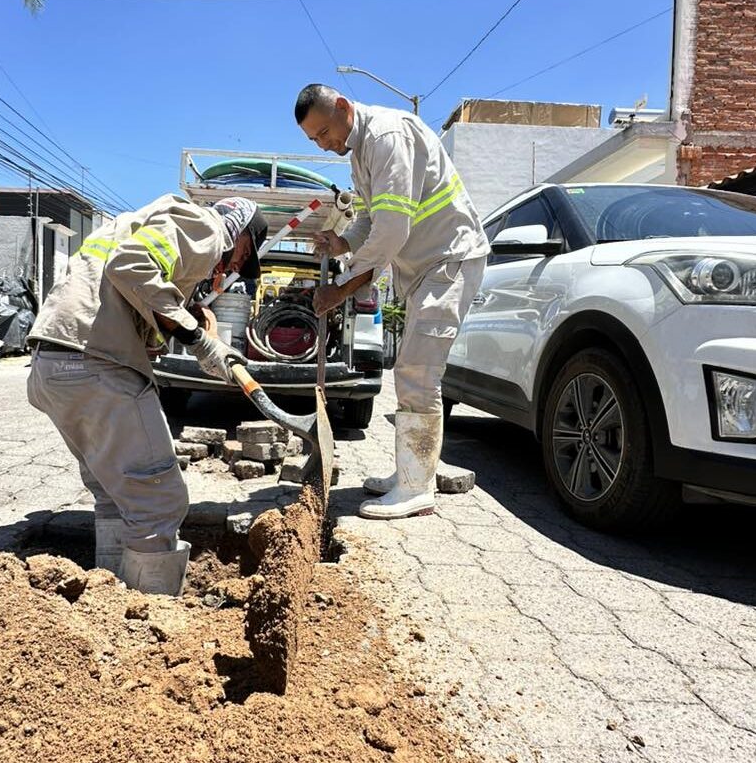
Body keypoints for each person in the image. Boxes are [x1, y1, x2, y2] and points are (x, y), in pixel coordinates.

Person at [26, 194, 267, 595]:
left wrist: (175, 323)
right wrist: (199, 340)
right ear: (238, 232)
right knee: (159, 501)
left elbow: (124, 288)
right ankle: (148, 612)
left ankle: (108, 598)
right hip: (96, 363)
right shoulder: (208, 228)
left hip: (53, 364)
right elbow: (131, 265)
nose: (234, 267)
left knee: (115, 494)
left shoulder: (135, 222)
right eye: (243, 256)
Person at [295, 84, 490, 520]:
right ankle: (410, 471)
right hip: (425, 266)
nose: (323, 145)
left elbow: (391, 231)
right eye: (314, 139)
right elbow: (370, 217)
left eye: (324, 132)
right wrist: (343, 241)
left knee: (417, 370)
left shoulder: (387, 136)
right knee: (412, 369)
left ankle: (416, 487)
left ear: (342, 107)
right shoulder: (361, 151)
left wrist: (342, 287)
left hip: (449, 258)